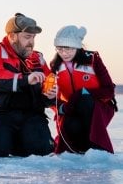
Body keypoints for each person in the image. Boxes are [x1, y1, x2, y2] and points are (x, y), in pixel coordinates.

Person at [0, 13, 56, 157]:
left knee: (43, 151)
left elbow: (48, 81)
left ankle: (18, 142)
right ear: (12, 36)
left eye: (33, 37)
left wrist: (50, 94)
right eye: (27, 37)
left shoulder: (37, 57)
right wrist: (25, 79)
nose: (31, 42)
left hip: (31, 115)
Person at [50, 25, 118, 154]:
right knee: (71, 125)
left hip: (97, 107)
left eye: (68, 48)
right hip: (70, 109)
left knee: (84, 101)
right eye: (59, 48)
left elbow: (109, 91)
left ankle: (98, 150)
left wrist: (83, 93)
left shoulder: (93, 60)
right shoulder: (55, 66)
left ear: (77, 46)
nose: (64, 53)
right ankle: (77, 150)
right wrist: (58, 107)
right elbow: (54, 98)